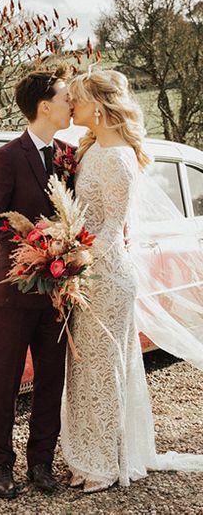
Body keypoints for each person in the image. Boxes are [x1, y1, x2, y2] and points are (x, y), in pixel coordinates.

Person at [63, 68, 203, 492]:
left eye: (78, 99)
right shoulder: (88, 152)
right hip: (85, 277)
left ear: (99, 108)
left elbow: (111, 229)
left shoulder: (120, 158)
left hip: (107, 279)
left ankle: (108, 464)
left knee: (106, 372)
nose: (73, 105)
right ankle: (84, 456)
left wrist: (77, 261)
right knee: (83, 373)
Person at [0, 65, 74, 498]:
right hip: (12, 291)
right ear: (45, 106)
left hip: (56, 293)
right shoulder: (6, 157)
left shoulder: (68, 155)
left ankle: (41, 463)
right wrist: (37, 244)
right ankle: (2, 464)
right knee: (5, 380)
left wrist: (67, 251)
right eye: (65, 97)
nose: (71, 103)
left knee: (52, 378)